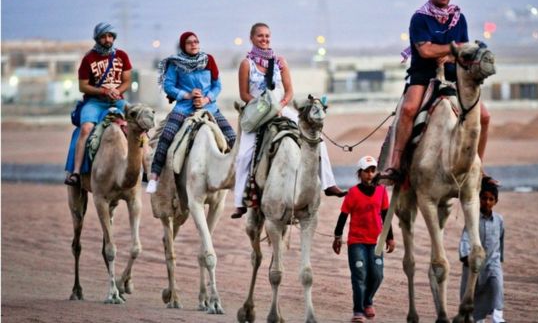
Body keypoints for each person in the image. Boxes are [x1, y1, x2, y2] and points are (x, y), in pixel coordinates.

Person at [380, 0, 492, 183]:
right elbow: (425, 51)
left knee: (484, 117)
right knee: (408, 110)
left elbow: (462, 51)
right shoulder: (420, 18)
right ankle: (395, 164)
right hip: (423, 74)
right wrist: (451, 48)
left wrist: (450, 54)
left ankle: (479, 169)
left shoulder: (459, 18)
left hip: (453, 74)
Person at [231, 22, 345, 218]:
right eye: (260, 36)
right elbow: (243, 94)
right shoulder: (246, 64)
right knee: (243, 156)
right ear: (252, 38)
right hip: (257, 110)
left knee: (317, 140)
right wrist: (264, 107)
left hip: (281, 108)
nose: (264, 39)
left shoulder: (280, 61)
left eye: (267, 36)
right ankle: (241, 200)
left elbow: (289, 90)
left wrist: (281, 104)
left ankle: (329, 183)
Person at [146, 31, 236, 193]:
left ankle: (239, 178)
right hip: (184, 107)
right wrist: (186, 95)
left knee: (232, 137)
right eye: (189, 42)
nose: (194, 44)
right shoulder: (175, 64)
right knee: (166, 136)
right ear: (183, 46)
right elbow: (168, 86)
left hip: (209, 107)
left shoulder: (208, 60)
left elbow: (217, 86)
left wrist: (206, 99)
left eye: (196, 41)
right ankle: (154, 177)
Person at [64, 22, 132, 186]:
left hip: (117, 100)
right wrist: (103, 91)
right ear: (97, 39)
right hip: (95, 102)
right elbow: (83, 86)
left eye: (110, 36)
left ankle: (146, 167)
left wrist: (117, 91)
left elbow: (127, 80)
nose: (107, 39)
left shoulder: (121, 55)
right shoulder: (89, 59)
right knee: (86, 128)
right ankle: (76, 172)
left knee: (139, 124)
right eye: (103, 37)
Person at [332, 156, 395, 323]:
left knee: (377, 275)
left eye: (372, 171)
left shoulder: (381, 191)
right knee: (359, 274)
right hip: (357, 241)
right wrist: (337, 237)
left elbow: (385, 215)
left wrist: (390, 238)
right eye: (366, 171)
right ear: (359, 173)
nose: (369, 174)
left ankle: (368, 301)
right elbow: (343, 216)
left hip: (376, 241)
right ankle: (358, 310)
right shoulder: (353, 193)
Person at [459, 176, 505, 323]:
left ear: (495, 201)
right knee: (474, 292)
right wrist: (465, 256)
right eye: (484, 198)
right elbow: (466, 236)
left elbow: (501, 240)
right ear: (479, 199)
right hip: (474, 263)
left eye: (491, 199)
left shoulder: (499, 220)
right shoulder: (473, 218)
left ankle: (498, 317)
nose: (487, 202)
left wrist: (500, 258)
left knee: (496, 285)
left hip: (493, 262)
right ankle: (477, 319)